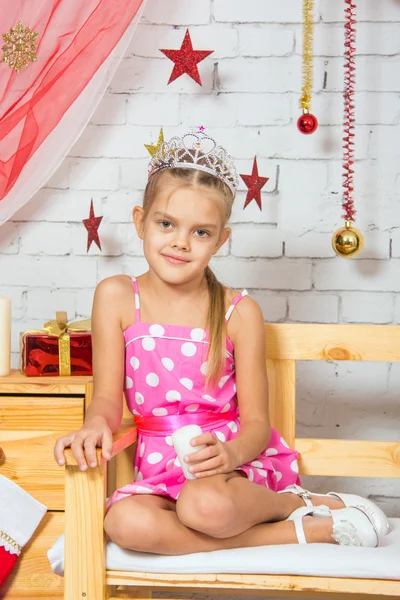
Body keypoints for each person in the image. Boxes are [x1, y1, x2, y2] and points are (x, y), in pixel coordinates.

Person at [54, 130, 389, 554]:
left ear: (221, 240)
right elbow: (106, 397)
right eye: (166, 224)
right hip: (158, 470)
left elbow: (256, 426)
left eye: (201, 232)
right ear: (140, 221)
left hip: (230, 470)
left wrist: (229, 456)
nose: (179, 242)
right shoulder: (117, 296)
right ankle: (304, 529)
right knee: (124, 521)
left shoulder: (238, 312)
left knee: (203, 506)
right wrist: (93, 425)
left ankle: (291, 503)